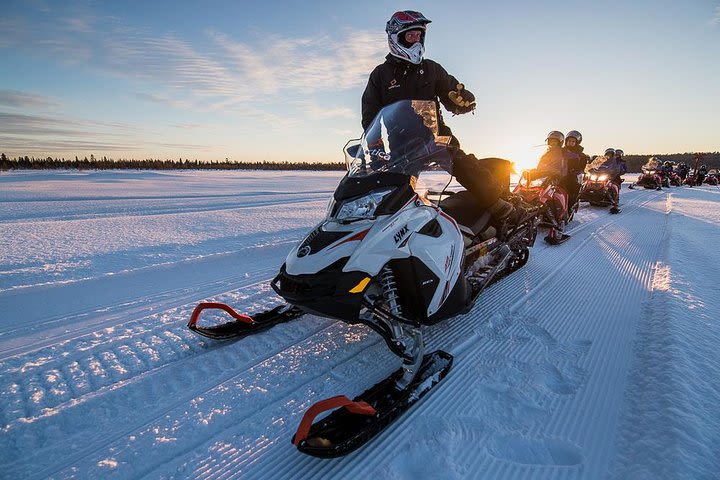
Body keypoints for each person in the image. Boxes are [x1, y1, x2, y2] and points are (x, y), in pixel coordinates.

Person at [361, 10, 520, 224]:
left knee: (465, 166)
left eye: (419, 35)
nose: (416, 41)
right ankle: (397, 226)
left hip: (437, 137)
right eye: (410, 36)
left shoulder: (431, 69)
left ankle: (498, 204)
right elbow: (370, 114)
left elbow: (452, 93)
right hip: (402, 146)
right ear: (395, 38)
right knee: (394, 190)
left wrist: (463, 100)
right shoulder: (381, 75)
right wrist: (375, 148)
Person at [562, 130, 589, 206]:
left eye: (573, 141)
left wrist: (575, 169)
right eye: (569, 141)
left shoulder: (580, 154)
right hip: (559, 174)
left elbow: (582, 167)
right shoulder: (561, 151)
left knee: (572, 187)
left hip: (572, 175)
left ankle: (570, 205)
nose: (570, 142)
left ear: (576, 143)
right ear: (566, 141)